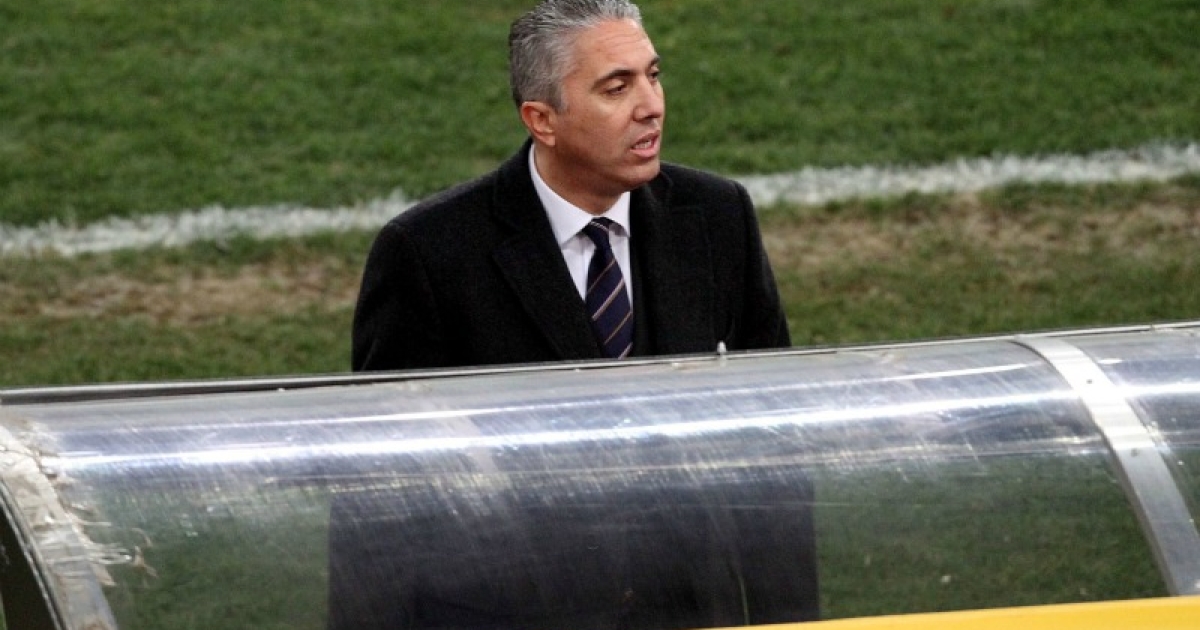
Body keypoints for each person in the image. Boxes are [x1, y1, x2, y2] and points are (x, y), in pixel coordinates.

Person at [351, 0, 790, 371]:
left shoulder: (720, 215)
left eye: (653, 76)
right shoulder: (429, 254)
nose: (651, 106)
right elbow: (394, 430)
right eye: (617, 88)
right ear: (542, 121)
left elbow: (775, 399)